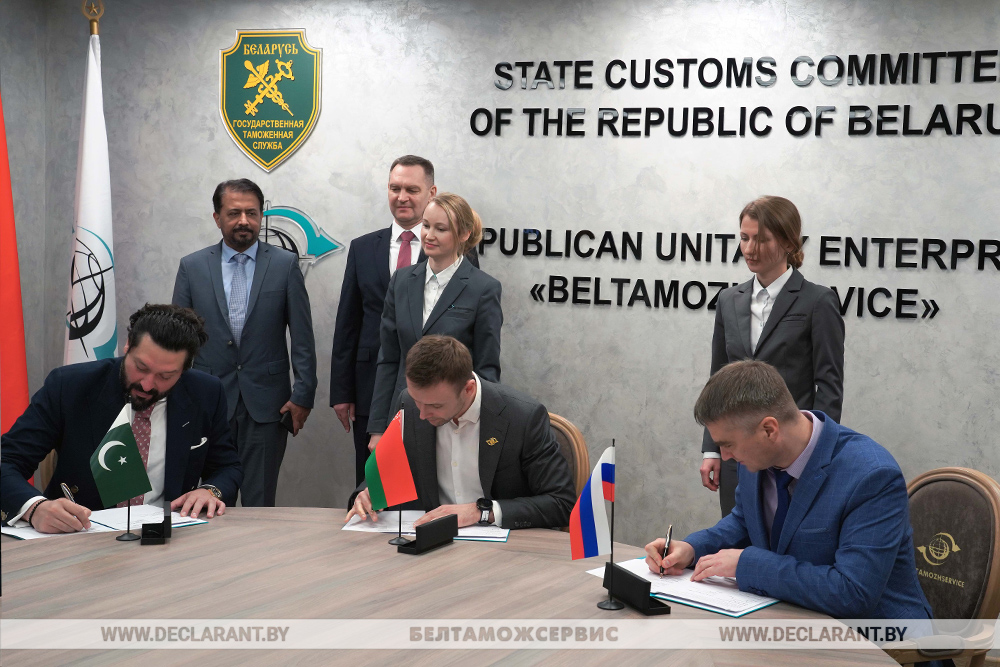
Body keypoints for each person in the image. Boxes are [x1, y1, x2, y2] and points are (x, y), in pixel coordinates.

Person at [648, 360, 932, 620]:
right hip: (791, 621)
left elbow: (852, 593)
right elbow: (744, 522)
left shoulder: (872, 476)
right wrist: (691, 549)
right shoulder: (757, 458)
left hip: (882, 640)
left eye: (728, 444)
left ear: (769, 430)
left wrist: (749, 564)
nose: (725, 457)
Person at [0, 304, 242, 534]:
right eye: (141, 367)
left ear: (184, 370)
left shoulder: (205, 393)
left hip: (168, 537)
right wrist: (34, 508)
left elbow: (227, 466)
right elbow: (7, 460)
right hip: (80, 535)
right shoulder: (70, 386)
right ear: (128, 345)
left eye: (165, 376)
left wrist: (210, 491)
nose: (147, 384)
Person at [331, 156, 480, 485]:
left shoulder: (459, 251)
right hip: (373, 389)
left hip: (438, 392)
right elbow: (347, 324)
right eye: (394, 188)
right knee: (375, 485)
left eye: (412, 190)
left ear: (431, 193)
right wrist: (341, 391)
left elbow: (470, 327)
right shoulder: (362, 248)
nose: (402, 197)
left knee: (429, 481)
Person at [172, 179, 317, 507]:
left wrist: (303, 396)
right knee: (207, 500)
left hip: (267, 404)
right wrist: (178, 396)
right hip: (207, 403)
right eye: (234, 213)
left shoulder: (284, 265)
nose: (244, 221)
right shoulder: (192, 267)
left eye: (251, 213)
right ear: (217, 217)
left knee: (260, 502)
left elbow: (303, 338)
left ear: (261, 216)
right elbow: (177, 341)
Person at [700, 196, 845, 517]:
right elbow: (717, 381)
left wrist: (818, 455)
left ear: (788, 243)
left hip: (792, 454)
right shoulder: (728, 300)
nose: (750, 249)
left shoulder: (818, 300)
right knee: (735, 537)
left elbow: (829, 386)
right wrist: (712, 448)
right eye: (745, 237)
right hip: (737, 453)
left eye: (762, 239)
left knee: (787, 539)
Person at [347, 336, 574, 529]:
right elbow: (385, 471)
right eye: (417, 401)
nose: (422, 414)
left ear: (468, 389)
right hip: (429, 544)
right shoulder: (408, 403)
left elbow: (562, 503)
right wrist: (368, 494)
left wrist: (481, 511)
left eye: (436, 406)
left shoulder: (523, 417)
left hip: (504, 550)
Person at [366, 193, 502, 451]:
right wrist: (378, 428)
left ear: (464, 234)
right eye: (426, 225)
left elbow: (487, 370)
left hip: (455, 419)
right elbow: (389, 359)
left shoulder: (483, 288)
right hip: (402, 414)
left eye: (441, 229)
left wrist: (477, 426)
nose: (429, 235)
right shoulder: (401, 281)